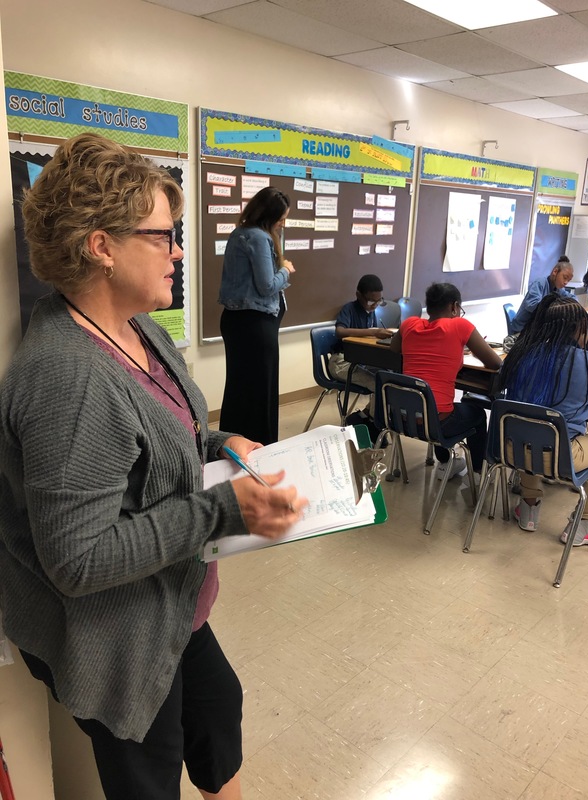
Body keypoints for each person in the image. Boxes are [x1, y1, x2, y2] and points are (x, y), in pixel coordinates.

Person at [0, 133, 307, 800]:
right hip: (120, 633)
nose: (177, 252)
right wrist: (224, 509)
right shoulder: (67, 377)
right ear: (102, 246)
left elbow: (164, 433)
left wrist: (222, 444)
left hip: (170, 605)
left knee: (217, 715)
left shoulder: (141, 329)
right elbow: (78, 560)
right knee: (149, 773)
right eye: (163, 236)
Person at [499, 294, 588, 543]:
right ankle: (583, 524)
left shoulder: (520, 355)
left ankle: (529, 509)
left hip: (514, 451)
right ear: (578, 329)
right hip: (561, 458)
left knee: (531, 428)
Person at [390, 282, 502, 479]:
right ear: (454, 306)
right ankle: (477, 473)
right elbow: (495, 363)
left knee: (440, 405)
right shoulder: (460, 325)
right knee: (476, 413)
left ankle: (446, 462)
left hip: (402, 418)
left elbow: (394, 348)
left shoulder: (409, 324)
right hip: (436, 423)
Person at [218, 186, 294, 446]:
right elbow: (267, 286)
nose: (283, 223)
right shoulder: (259, 238)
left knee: (240, 390)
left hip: (242, 324)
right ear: (268, 216)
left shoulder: (240, 233)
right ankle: (262, 449)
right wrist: (285, 270)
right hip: (255, 325)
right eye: (281, 218)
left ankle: (233, 446)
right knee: (262, 392)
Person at [329, 274, 394, 438]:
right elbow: (340, 331)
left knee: (388, 378)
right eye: (371, 301)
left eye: (379, 301)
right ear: (358, 295)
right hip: (342, 363)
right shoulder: (349, 309)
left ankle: (365, 417)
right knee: (378, 384)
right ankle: (372, 425)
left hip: (359, 361)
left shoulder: (370, 311)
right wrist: (372, 332)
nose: (375, 305)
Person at [510, 255, 573, 334]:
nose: (566, 282)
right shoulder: (540, 283)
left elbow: (571, 298)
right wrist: (554, 308)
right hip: (523, 330)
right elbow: (531, 305)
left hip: (537, 329)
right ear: (555, 272)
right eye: (565, 277)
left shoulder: (559, 289)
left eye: (569, 280)